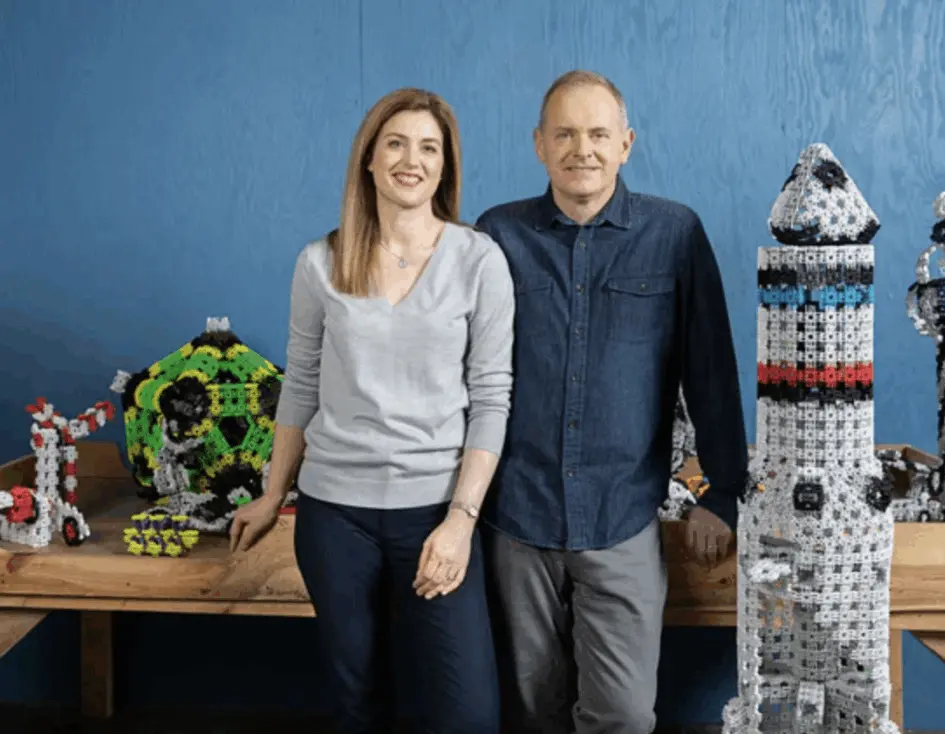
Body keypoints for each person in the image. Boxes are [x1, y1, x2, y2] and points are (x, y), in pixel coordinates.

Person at [229, 87, 515, 734]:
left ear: (444, 167)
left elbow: (493, 397)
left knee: (467, 715)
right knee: (358, 704)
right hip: (335, 518)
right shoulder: (320, 263)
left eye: (428, 147)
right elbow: (300, 384)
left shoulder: (479, 261)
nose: (410, 159)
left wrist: (461, 520)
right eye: (395, 143)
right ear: (368, 158)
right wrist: (273, 493)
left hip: (437, 514)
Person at [475, 70, 749, 734]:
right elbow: (464, 376)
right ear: (538, 144)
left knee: (622, 717)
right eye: (564, 133)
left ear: (626, 143)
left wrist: (722, 494)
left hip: (622, 515)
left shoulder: (675, 233)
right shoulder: (495, 236)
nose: (582, 149)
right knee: (529, 711)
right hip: (515, 517)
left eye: (598, 133)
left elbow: (709, 371)